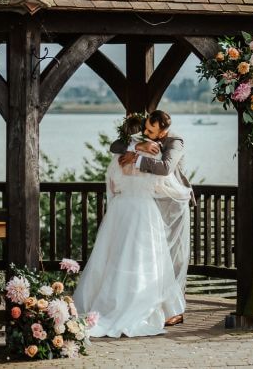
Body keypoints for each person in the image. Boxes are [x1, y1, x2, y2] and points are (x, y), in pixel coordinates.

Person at [73, 115, 185, 337]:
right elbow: (160, 182)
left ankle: (106, 303)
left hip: (120, 210)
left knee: (113, 256)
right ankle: (150, 305)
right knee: (146, 259)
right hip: (144, 210)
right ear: (140, 133)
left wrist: (133, 158)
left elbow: (113, 187)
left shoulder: (120, 157)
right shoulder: (152, 150)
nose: (147, 132)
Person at [111, 110, 193, 327]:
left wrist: (136, 159)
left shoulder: (175, 142)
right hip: (152, 204)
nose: (145, 133)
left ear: (163, 131)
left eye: (150, 130)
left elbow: (166, 168)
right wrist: (137, 146)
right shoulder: (145, 140)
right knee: (156, 259)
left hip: (174, 205)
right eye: (145, 128)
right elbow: (115, 147)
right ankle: (155, 304)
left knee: (176, 258)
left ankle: (176, 310)